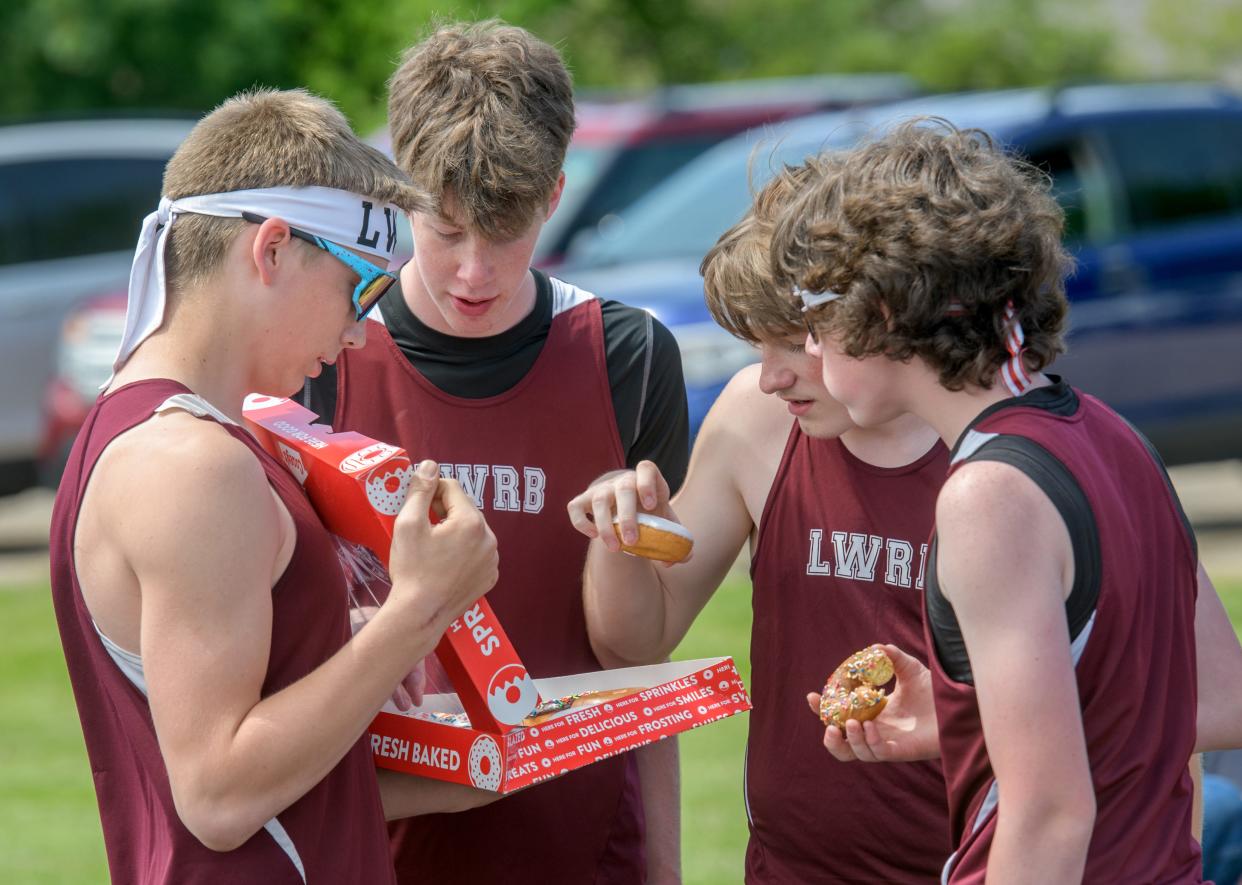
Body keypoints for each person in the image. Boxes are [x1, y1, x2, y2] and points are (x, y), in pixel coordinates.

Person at [49, 88, 501, 884]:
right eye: (363, 286)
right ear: (272, 250)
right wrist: (418, 608)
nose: (361, 330)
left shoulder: (144, 428)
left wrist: (457, 761)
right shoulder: (192, 465)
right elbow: (219, 796)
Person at [772, 118, 1242, 882]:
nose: (809, 346)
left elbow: (1051, 815)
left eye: (813, 309)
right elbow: (1215, 698)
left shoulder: (988, 496)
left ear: (884, 310)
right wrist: (982, 714)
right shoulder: (1111, 433)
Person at [301, 20, 690, 884]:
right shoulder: (323, 351)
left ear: (555, 195)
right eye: (446, 231)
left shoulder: (624, 356)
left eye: (506, 230)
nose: (475, 270)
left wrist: (621, 541)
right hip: (382, 843)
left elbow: (634, 656)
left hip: (586, 842)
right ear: (401, 194)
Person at [567, 158, 954, 882]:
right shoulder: (757, 417)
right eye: (757, 346)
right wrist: (620, 533)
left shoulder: (997, 451)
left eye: (791, 342)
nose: (772, 375)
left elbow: (1154, 708)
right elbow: (637, 639)